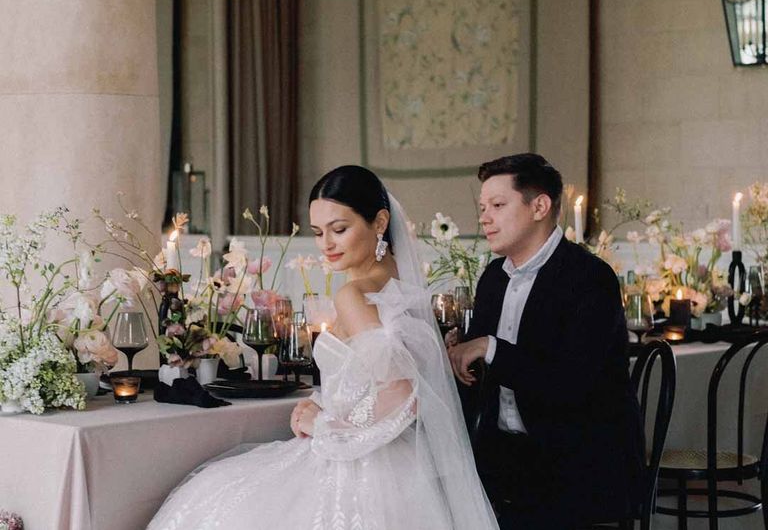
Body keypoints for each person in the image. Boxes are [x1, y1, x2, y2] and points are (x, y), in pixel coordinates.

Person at [148, 165, 499, 530]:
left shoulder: (353, 294)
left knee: (213, 508)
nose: (325, 244)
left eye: (339, 229)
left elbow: (401, 393)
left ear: (380, 223)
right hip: (402, 467)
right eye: (318, 232)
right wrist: (323, 402)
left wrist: (326, 423)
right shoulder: (398, 281)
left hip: (363, 468)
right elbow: (379, 375)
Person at [448, 153, 643, 529]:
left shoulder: (590, 279)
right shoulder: (493, 277)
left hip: (577, 464)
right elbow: (483, 376)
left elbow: (570, 385)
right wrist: (457, 355)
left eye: (498, 205)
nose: (484, 217)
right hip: (506, 460)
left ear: (539, 206)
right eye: (483, 206)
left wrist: (489, 347)